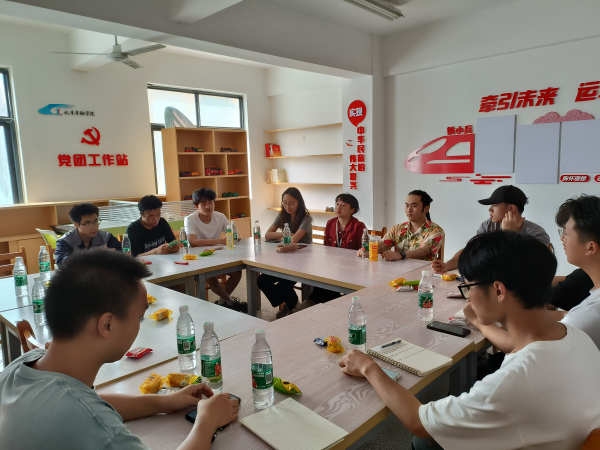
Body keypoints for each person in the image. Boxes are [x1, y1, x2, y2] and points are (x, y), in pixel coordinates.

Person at [339, 231, 600, 450]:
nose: (468, 296)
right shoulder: (576, 336)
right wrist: (482, 322)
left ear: (498, 290)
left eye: (469, 286)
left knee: (424, 443)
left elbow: (419, 423)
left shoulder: (509, 384)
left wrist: (369, 367)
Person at [0, 250, 239, 450]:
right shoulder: (87, 420)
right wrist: (206, 423)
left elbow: (92, 400)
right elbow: (87, 410)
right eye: (139, 316)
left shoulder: (26, 364)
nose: (139, 324)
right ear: (108, 325)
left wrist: (165, 402)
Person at [467, 195, 600, 351]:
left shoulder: (586, 316)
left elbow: (525, 349)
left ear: (591, 247)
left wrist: (478, 321)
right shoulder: (587, 308)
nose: (562, 239)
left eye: (566, 233)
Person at [432, 185, 551, 273]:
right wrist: (447, 265)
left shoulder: (537, 233)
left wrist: (510, 234)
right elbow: (471, 250)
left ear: (511, 208)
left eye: (494, 205)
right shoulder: (488, 225)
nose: (490, 209)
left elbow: (526, 267)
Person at [295, 193, 367, 313]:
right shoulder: (330, 223)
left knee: (325, 283)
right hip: (333, 267)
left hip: (351, 269)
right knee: (320, 276)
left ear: (352, 210)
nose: (338, 207)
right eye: (337, 204)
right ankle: (320, 305)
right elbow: (326, 248)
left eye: (343, 205)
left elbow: (363, 251)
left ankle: (310, 303)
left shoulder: (358, 226)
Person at [184, 188, 246, 313]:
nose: (208, 206)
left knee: (237, 272)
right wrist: (220, 240)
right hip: (198, 259)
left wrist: (234, 236)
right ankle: (231, 302)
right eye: (203, 204)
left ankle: (222, 302)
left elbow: (236, 235)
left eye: (210, 202)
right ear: (196, 206)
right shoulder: (190, 219)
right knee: (210, 275)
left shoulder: (220, 216)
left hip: (217, 256)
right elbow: (193, 242)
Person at [258, 187, 313, 319]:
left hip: (303, 261)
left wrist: (288, 237)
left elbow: (294, 240)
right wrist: (284, 234)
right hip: (285, 259)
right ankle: (288, 304)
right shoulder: (282, 215)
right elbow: (267, 235)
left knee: (283, 285)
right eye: (284, 203)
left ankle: (294, 308)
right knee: (262, 280)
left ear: (299, 202)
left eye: (291, 203)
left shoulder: (306, 218)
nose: (287, 206)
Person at [357, 190, 443, 261]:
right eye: (407, 205)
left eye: (414, 206)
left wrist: (401, 254)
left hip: (423, 272)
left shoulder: (435, 230)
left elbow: (424, 250)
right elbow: (384, 244)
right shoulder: (398, 228)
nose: (409, 210)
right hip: (398, 270)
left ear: (426, 209)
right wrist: (369, 250)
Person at [55, 203, 121, 267]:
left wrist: (113, 253)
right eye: (87, 224)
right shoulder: (65, 241)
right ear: (76, 224)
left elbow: (123, 252)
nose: (94, 227)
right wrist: (97, 256)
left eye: (95, 221)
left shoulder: (106, 236)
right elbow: (62, 263)